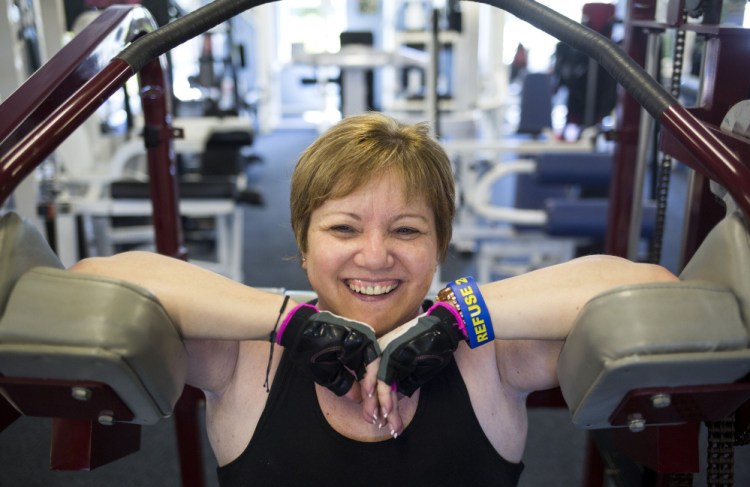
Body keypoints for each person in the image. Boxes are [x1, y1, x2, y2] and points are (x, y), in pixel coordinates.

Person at [69, 112, 677, 486]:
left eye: (407, 230)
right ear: (302, 246)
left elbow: (655, 296)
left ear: (441, 245)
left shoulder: (491, 359)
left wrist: (458, 319)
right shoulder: (245, 360)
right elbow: (95, 285)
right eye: (343, 228)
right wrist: (286, 322)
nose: (376, 255)